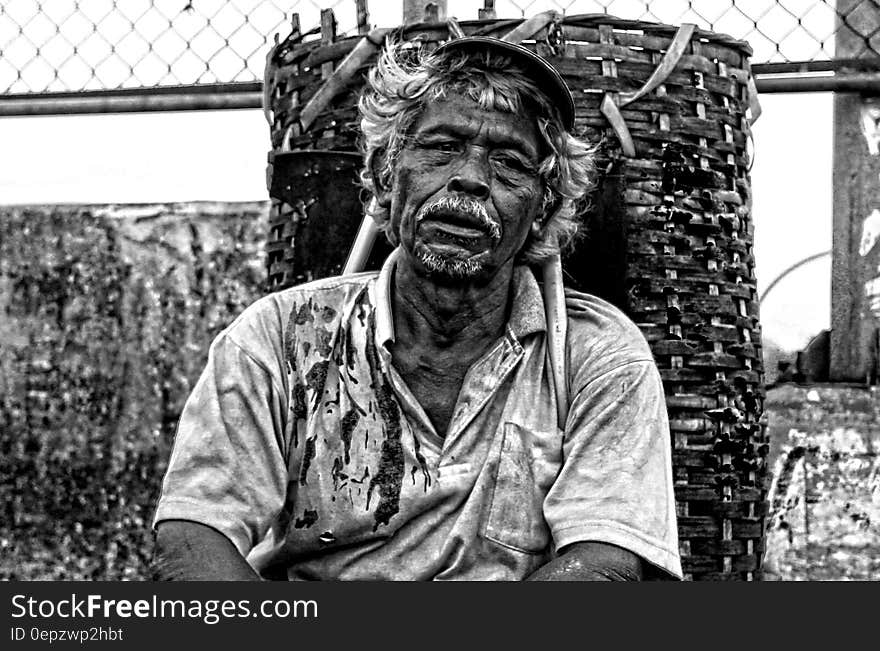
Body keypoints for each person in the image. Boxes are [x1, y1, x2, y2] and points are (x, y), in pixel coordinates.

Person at [152, 36, 682, 581]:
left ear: (543, 207)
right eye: (443, 146)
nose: (471, 179)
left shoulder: (596, 355)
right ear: (386, 171)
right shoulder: (279, 338)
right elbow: (193, 538)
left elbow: (602, 569)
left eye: (509, 163)